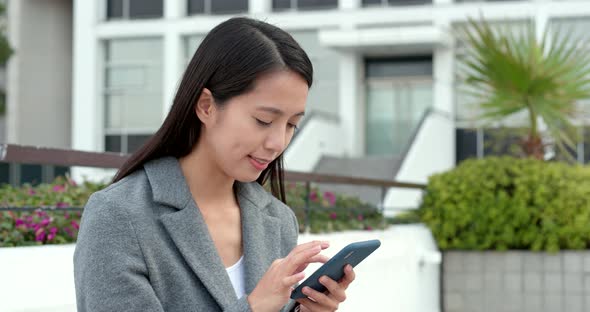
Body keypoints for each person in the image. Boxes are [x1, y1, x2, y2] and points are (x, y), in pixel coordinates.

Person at [73, 17, 355, 312]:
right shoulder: (119, 216)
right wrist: (254, 307)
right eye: (264, 120)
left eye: (291, 125)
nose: (277, 143)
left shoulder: (278, 221)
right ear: (206, 106)